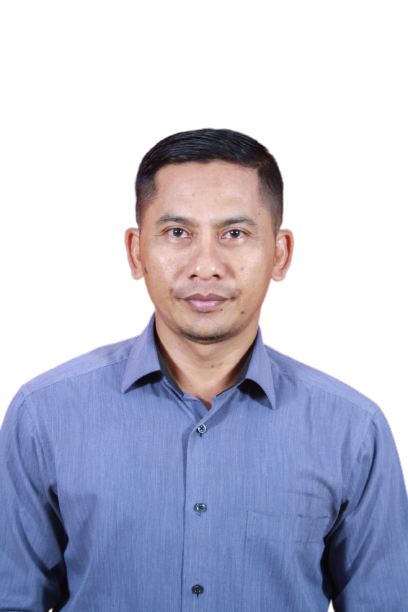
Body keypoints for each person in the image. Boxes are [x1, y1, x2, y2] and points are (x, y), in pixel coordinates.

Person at [0, 128, 407, 612]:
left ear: (279, 254)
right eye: (178, 233)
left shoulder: (353, 432)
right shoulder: (44, 416)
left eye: (235, 234)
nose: (206, 266)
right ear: (136, 251)